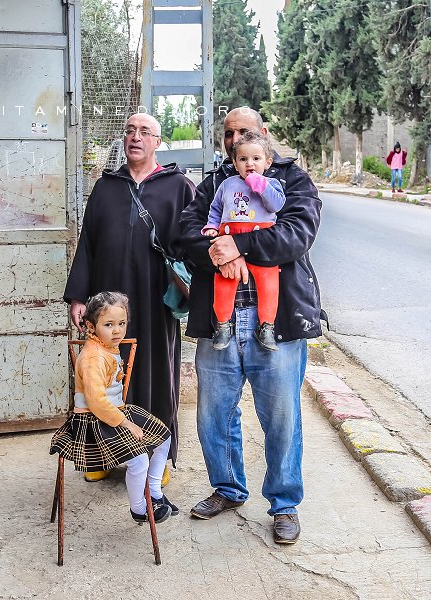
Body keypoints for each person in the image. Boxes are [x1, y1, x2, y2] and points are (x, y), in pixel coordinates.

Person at [179, 107, 323, 545]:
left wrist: (237, 245)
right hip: (219, 319)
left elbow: (296, 235)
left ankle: (284, 504)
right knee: (214, 415)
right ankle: (228, 489)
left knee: (281, 418)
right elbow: (186, 234)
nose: (235, 139)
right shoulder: (215, 184)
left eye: (244, 131)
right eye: (229, 134)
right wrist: (219, 254)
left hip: (275, 322)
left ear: (263, 135)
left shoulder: (292, 180)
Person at [64, 112, 194, 480]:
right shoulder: (106, 187)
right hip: (106, 305)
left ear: (157, 142)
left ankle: (155, 458)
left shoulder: (179, 187)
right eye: (130, 131)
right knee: (100, 378)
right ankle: (101, 456)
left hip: (155, 302)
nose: (135, 137)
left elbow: (194, 242)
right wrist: (79, 298)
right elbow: (87, 243)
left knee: (156, 375)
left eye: (145, 132)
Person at [50, 291, 176, 522]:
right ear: (91, 326)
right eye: (109, 325)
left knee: (164, 436)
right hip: (93, 421)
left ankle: (154, 491)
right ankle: (139, 508)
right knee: (139, 459)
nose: (117, 330)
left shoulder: (108, 347)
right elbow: (97, 402)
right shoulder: (93, 358)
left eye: (122, 323)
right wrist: (127, 424)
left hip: (114, 412)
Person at [202, 131, 285, 352]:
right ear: (235, 163)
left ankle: (267, 327)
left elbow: (276, 205)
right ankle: (223, 325)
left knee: (269, 285)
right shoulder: (227, 185)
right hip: (228, 235)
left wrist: (262, 187)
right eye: (243, 159)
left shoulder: (272, 183)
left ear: (267, 162)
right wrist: (211, 226)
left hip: (261, 242)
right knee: (224, 284)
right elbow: (216, 208)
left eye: (256, 158)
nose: (250, 164)